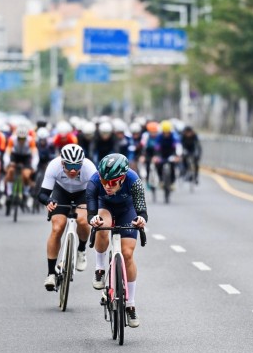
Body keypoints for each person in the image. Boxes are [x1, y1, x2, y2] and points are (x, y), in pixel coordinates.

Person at [86, 153, 148, 328]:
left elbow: (141, 209)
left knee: (127, 254)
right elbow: (91, 207)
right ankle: (99, 268)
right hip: (104, 207)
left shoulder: (133, 179)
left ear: (122, 179)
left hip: (127, 210)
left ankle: (131, 305)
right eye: (104, 181)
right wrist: (93, 219)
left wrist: (141, 219)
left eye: (112, 183)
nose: (107, 186)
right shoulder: (94, 181)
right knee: (102, 226)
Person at [37, 144, 97, 290]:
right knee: (57, 228)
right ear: (62, 162)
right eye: (69, 165)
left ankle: (81, 250)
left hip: (83, 193)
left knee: (83, 221)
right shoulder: (54, 166)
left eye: (77, 166)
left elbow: (97, 194)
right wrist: (48, 201)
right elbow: (42, 194)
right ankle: (51, 273)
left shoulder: (89, 168)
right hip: (61, 192)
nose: (72, 170)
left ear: (82, 163)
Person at [3, 124, 38, 213]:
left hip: (26, 157)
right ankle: (10, 193)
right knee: (10, 171)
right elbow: (7, 153)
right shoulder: (12, 139)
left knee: (26, 175)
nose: (21, 140)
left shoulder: (30, 140)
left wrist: (34, 166)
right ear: (17, 137)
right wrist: (7, 163)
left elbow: (35, 155)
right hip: (15, 156)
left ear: (26, 137)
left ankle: (25, 193)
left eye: (23, 139)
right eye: (20, 138)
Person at [154, 120, 182, 186]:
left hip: (171, 153)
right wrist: (156, 156)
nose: (166, 134)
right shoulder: (159, 137)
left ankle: (172, 182)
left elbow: (178, 146)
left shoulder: (174, 136)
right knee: (158, 164)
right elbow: (156, 147)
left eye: (168, 132)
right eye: (165, 132)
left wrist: (178, 155)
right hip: (162, 153)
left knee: (173, 165)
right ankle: (161, 180)